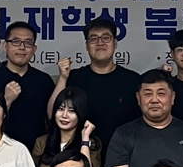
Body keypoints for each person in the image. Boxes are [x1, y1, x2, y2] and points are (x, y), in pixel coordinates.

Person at [47, 17, 141, 151]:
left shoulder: (133, 80)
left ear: (115, 43)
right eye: (94, 39)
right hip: (80, 153)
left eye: (106, 38)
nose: (100, 43)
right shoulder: (74, 78)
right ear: (86, 45)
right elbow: (52, 114)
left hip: (123, 153)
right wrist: (63, 78)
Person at [0, 21, 56, 152]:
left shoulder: (44, 80)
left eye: (28, 43)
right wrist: (6, 101)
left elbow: (53, 119)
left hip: (37, 153)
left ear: (34, 49)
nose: (22, 47)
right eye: (16, 42)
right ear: (5, 46)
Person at [31, 87, 99, 167]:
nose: (64, 115)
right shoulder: (42, 142)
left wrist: (85, 138)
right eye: (60, 109)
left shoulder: (91, 143)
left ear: (80, 114)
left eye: (71, 111)